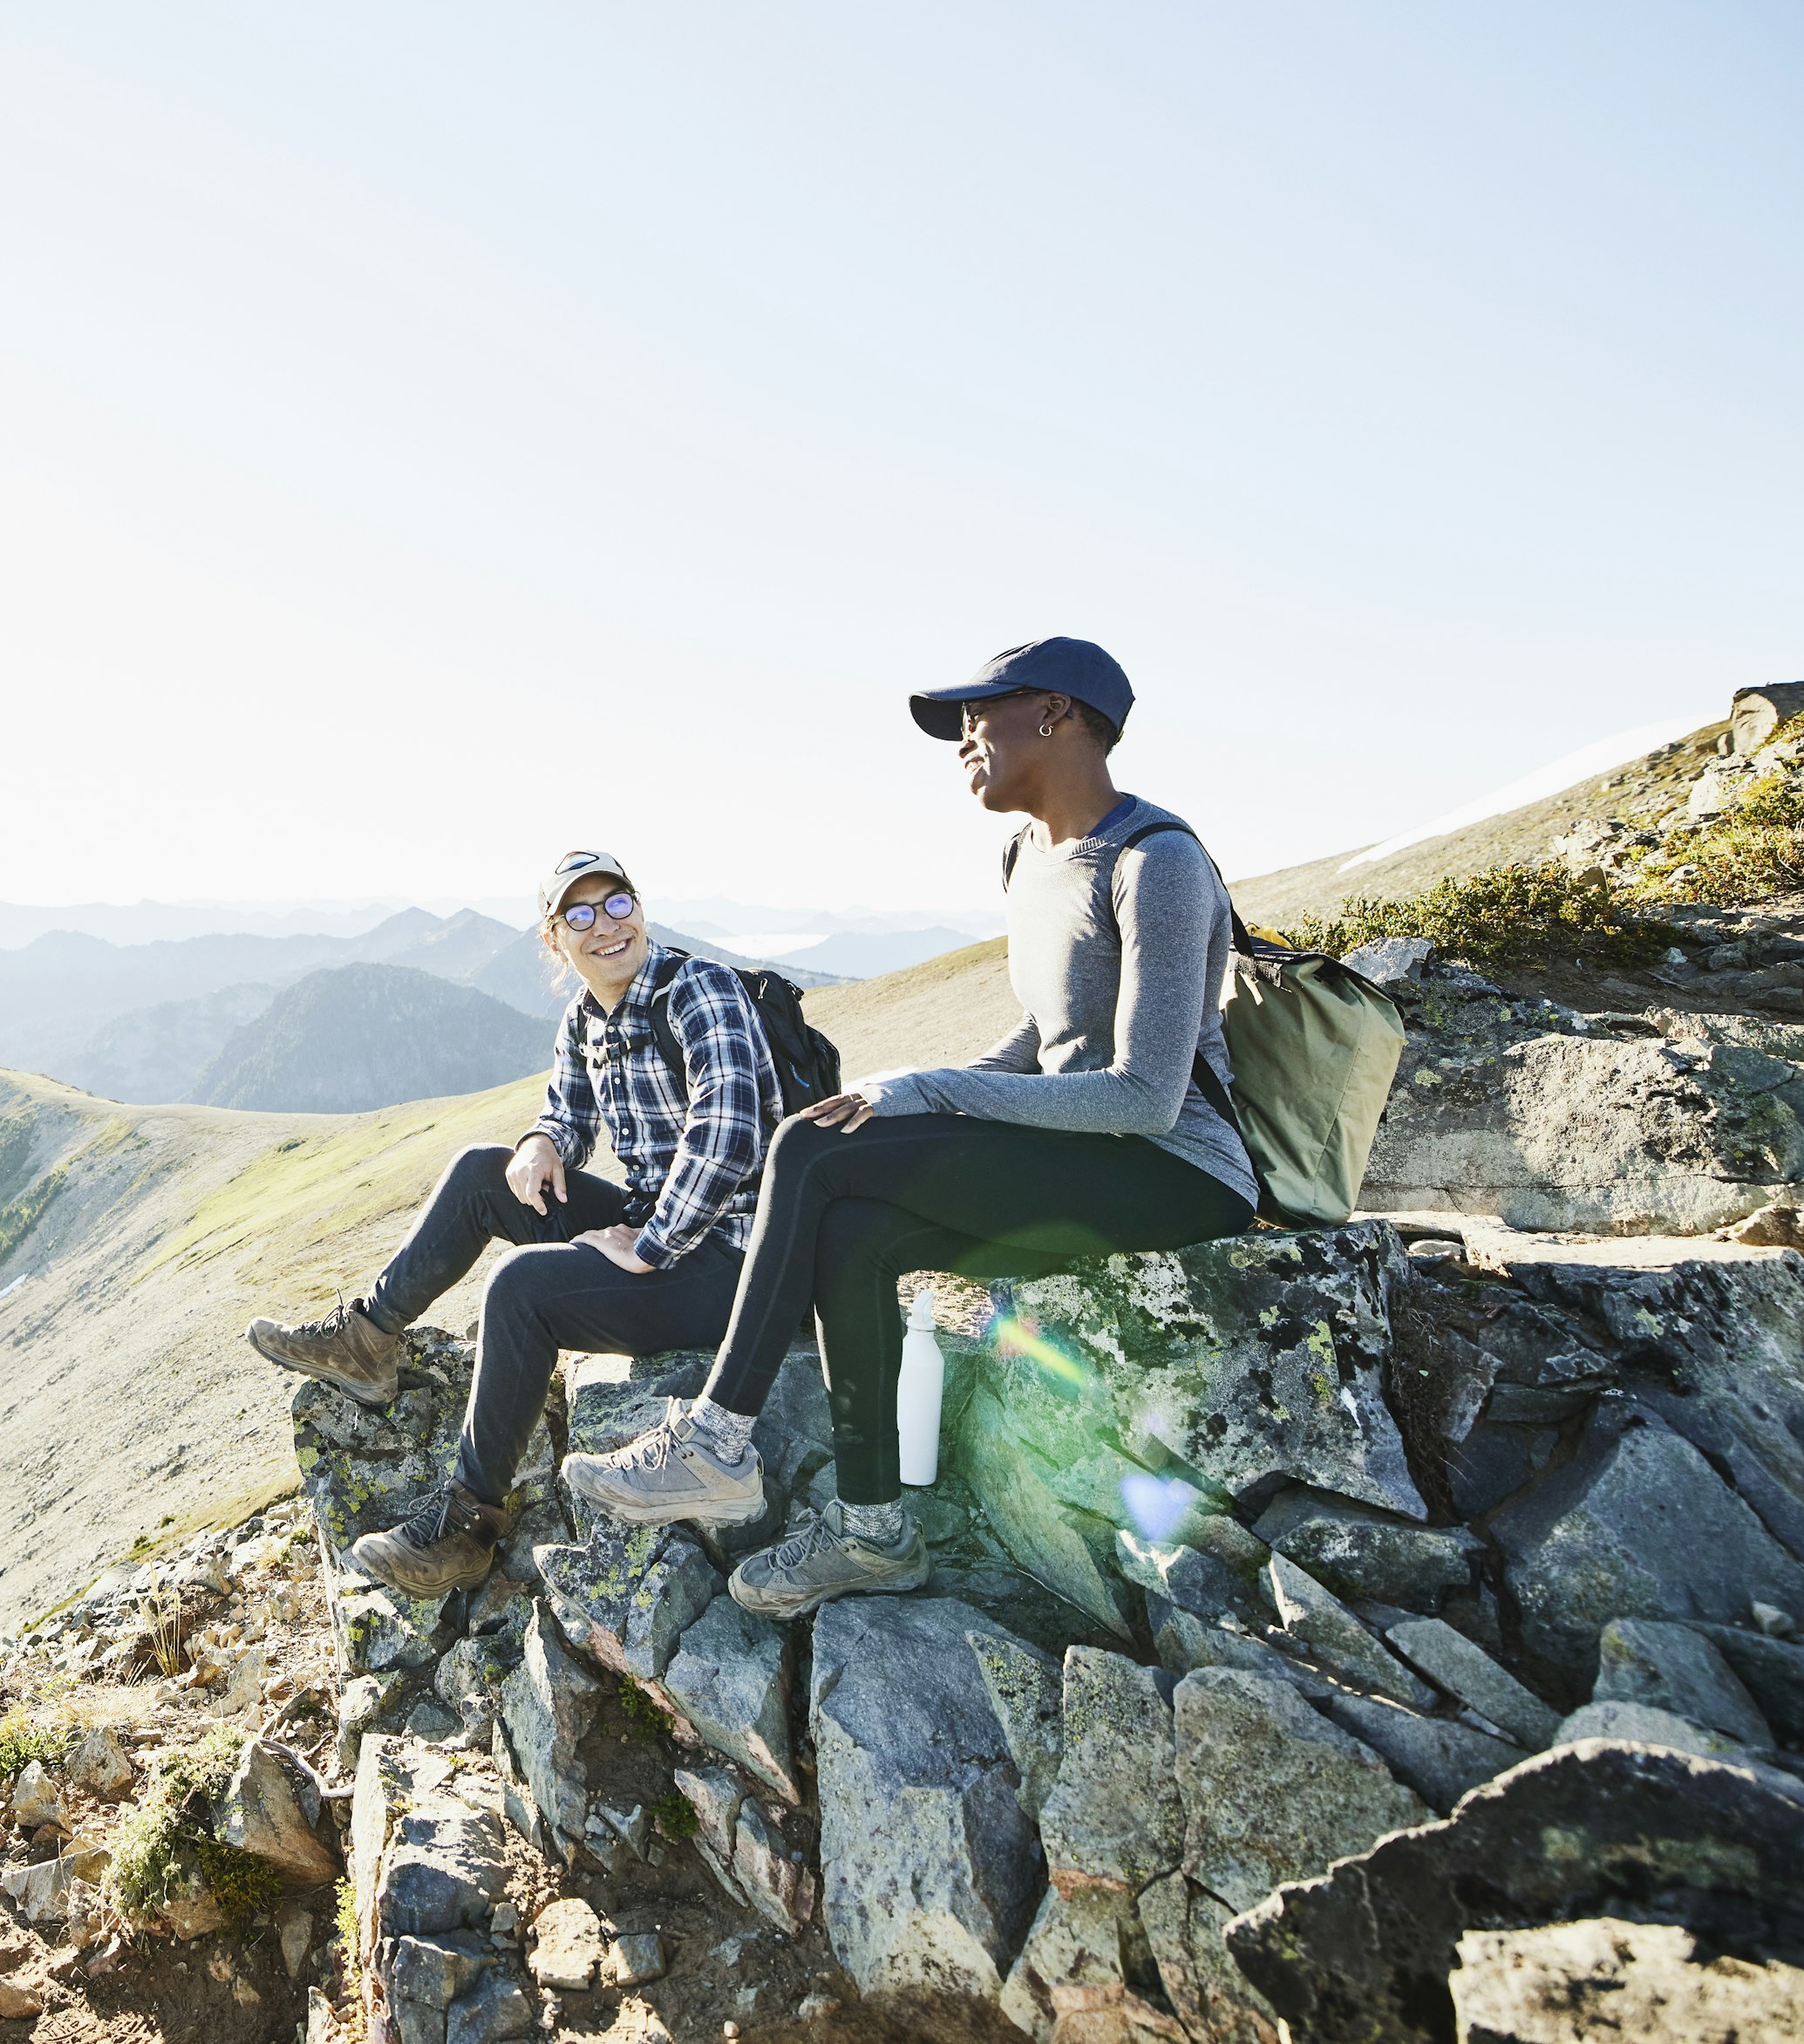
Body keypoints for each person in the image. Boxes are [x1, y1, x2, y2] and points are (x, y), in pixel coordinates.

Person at [562, 637, 1259, 1617]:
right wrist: (901, 1089)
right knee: (850, 1222)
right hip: (1073, 1151)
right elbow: (1044, 1032)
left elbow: (1144, 1093)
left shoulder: (1160, 860)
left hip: (1173, 1166)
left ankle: (715, 1441)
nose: (963, 739)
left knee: (805, 1149)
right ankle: (874, 1532)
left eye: (981, 715)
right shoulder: (1025, 856)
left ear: (1057, 714)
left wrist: (933, 1094)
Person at [242, 849, 777, 1598]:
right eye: (579, 915)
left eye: (617, 903)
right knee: (479, 1173)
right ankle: (367, 1341)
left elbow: (730, 1135)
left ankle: (469, 1525)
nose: (606, 926)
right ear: (555, 940)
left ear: (641, 908)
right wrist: (541, 1142)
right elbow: (567, 1112)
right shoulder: (587, 1017)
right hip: (657, 1226)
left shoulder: (700, 991)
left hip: (736, 1261)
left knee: (520, 1289)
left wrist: (650, 1248)